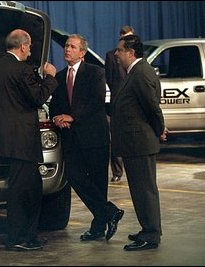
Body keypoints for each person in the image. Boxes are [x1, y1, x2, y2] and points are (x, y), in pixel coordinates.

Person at [49, 34, 124, 242]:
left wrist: (72, 117)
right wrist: (57, 117)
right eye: (66, 46)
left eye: (72, 47)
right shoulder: (60, 76)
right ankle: (109, 212)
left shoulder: (96, 72)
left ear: (82, 52)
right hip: (71, 139)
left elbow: (96, 101)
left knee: (99, 183)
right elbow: (56, 104)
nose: (67, 49)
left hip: (95, 137)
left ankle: (98, 227)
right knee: (74, 176)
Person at [0, 29, 58, 251]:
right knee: (25, 191)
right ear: (22, 46)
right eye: (29, 46)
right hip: (23, 140)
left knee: (21, 188)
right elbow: (37, 98)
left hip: (6, 138)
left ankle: (22, 235)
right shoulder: (22, 70)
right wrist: (50, 78)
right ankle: (20, 238)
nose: (31, 50)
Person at [111, 34, 168, 251]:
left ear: (130, 52)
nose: (116, 54)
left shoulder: (141, 73)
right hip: (135, 143)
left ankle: (151, 235)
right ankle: (148, 229)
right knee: (140, 190)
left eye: (119, 50)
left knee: (145, 190)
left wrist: (159, 129)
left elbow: (152, 107)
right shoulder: (136, 72)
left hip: (140, 142)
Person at [105, 25, 135, 183]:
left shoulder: (140, 58)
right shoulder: (111, 55)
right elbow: (109, 78)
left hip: (133, 104)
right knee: (115, 139)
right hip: (117, 102)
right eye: (125, 39)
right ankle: (117, 171)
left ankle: (132, 169)